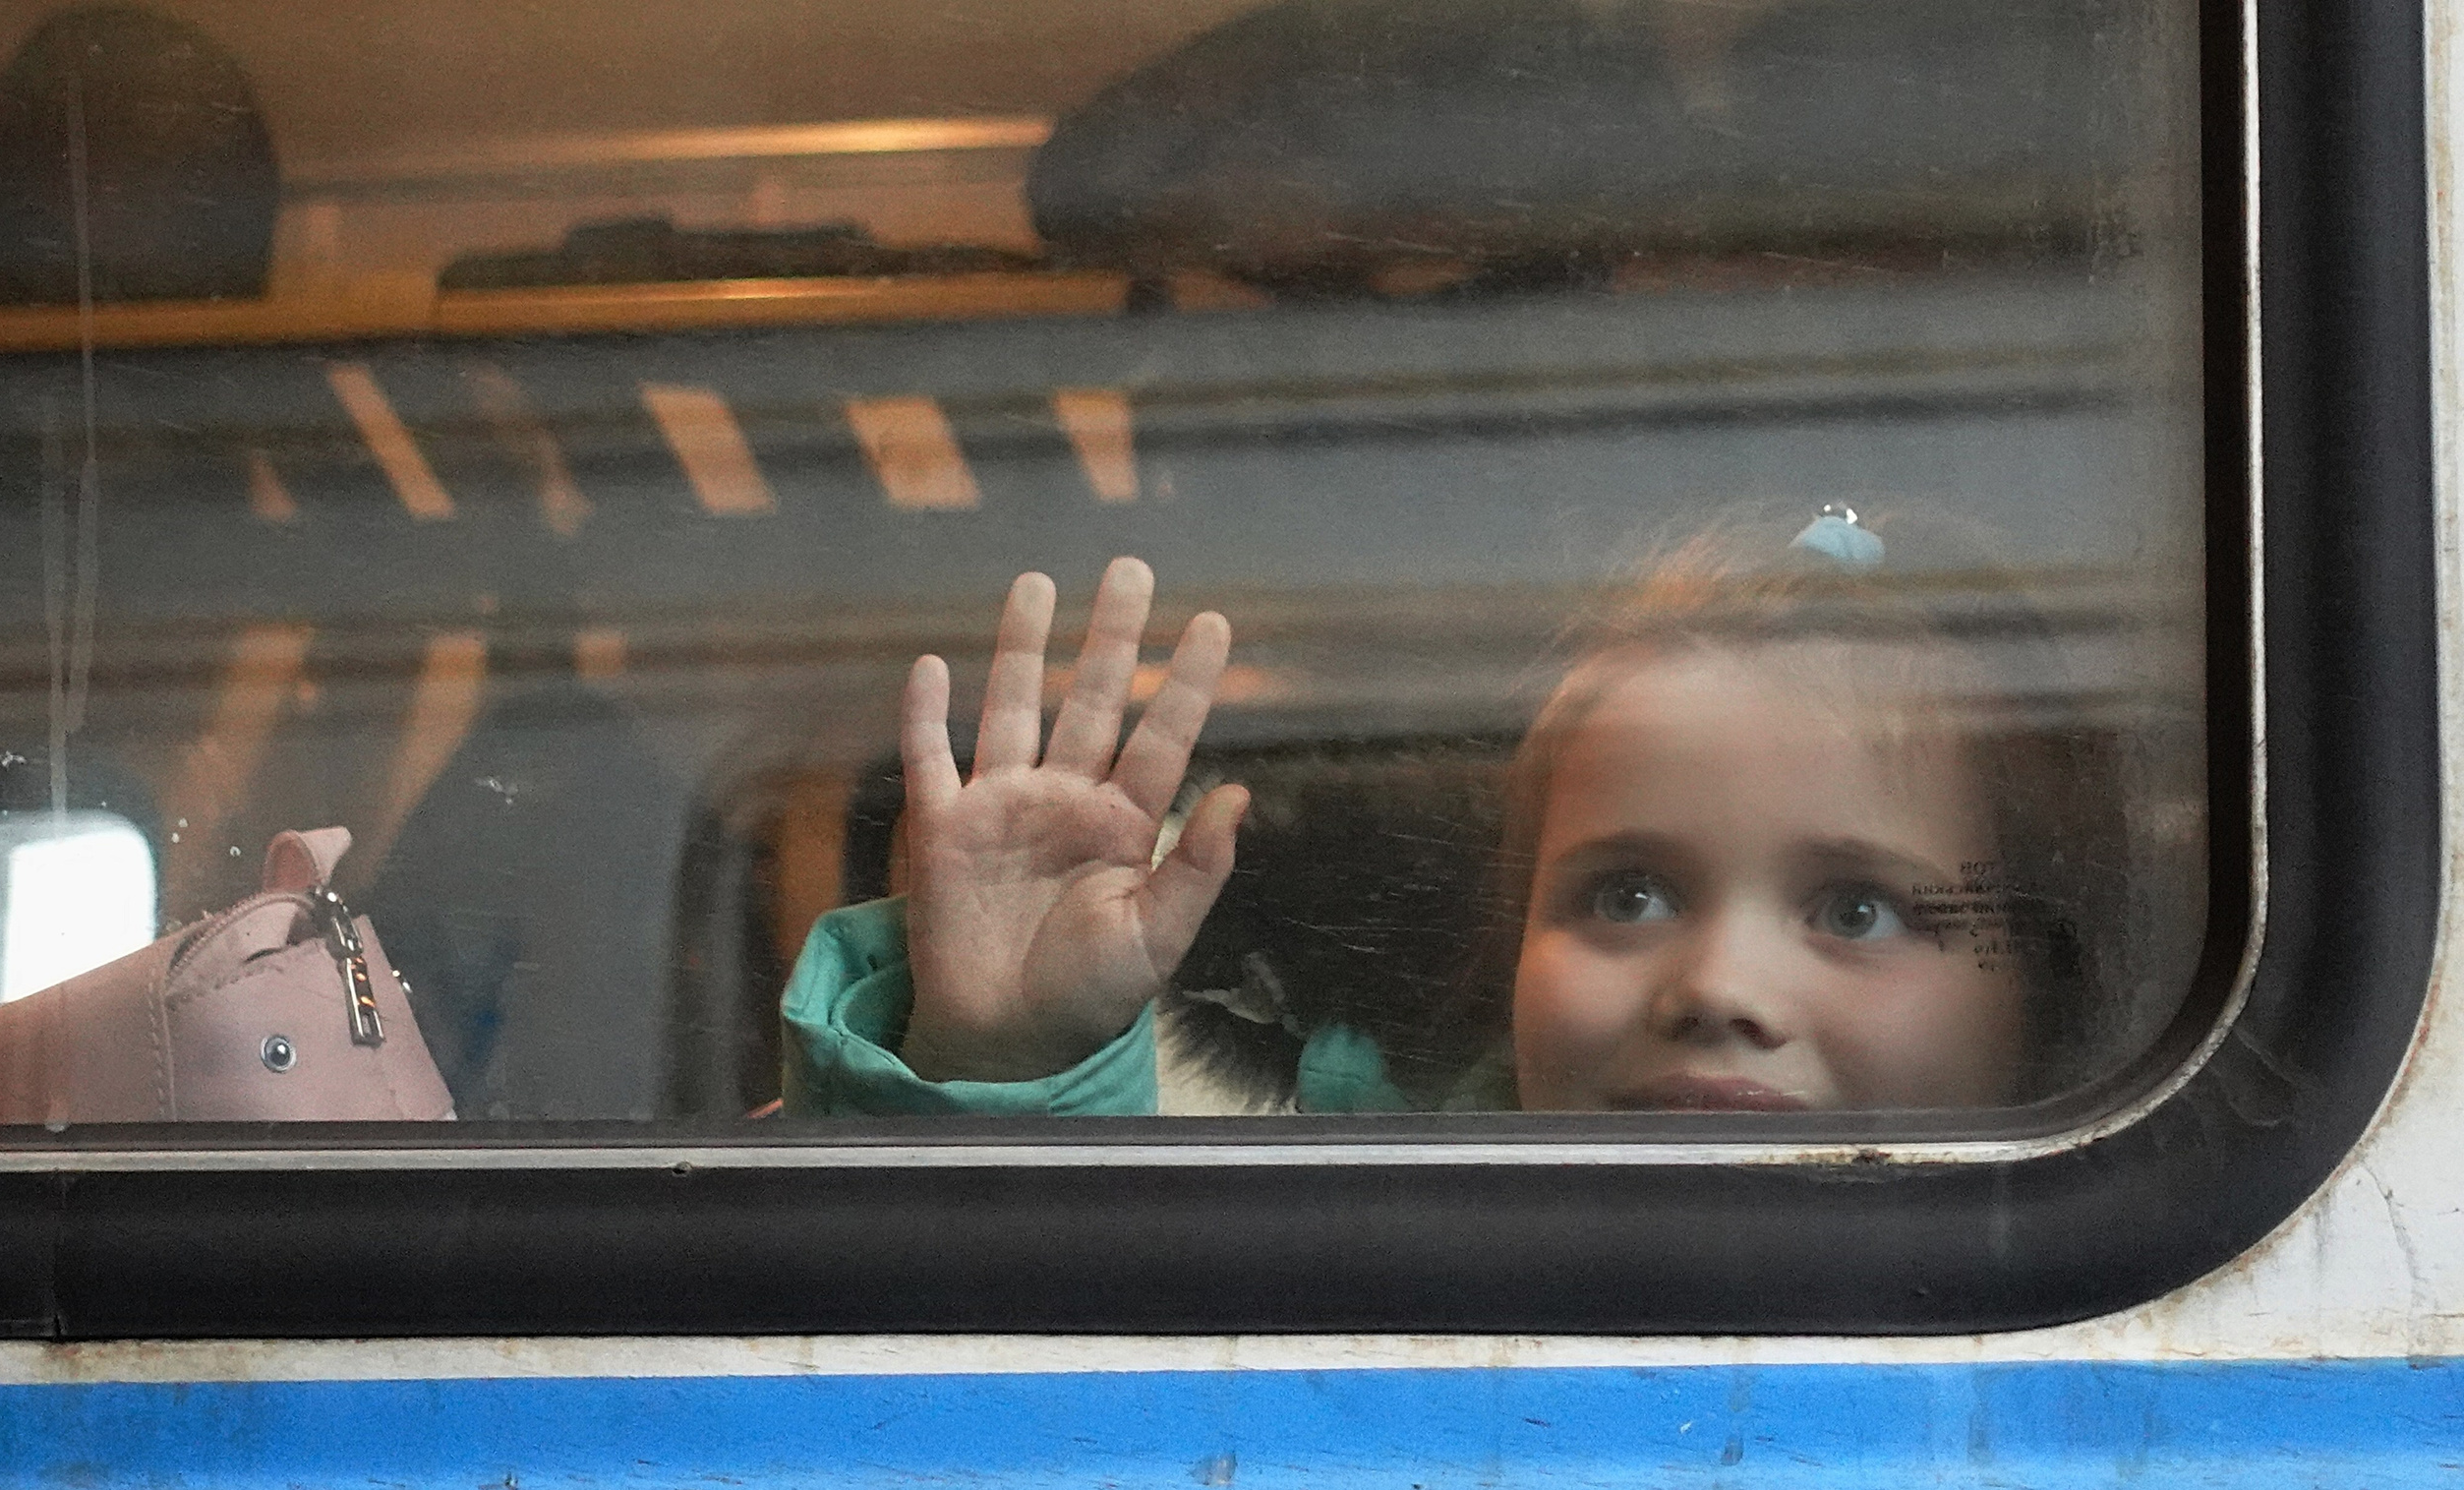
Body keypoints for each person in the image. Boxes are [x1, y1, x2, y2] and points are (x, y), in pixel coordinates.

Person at [782, 514, 2116, 1115]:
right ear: (1511, 946)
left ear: (2041, 998)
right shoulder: (1361, 1225)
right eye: (1628, 895)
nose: (1718, 987)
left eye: (1857, 908)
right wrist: (1004, 1059)